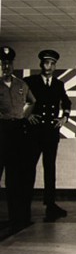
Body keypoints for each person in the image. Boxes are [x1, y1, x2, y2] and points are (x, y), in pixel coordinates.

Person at [23, 49, 71, 222]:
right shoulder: (30, 81)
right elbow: (18, 100)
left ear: (55, 66)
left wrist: (64, 117)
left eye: (52, 63)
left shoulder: (58, 84)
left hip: (50, 132)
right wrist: (27, 115)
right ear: (41, 64)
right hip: (34, 133)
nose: (48, 67)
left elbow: (66, 101)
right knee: (29, 169)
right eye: (45, 63)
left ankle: (50, 205)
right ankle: (24, 206)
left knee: (50, 169)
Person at [0, 46, 36, 230]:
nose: (5, 67)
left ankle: (16, 218)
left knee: (15, 177)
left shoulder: (21, 84)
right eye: (2, 64)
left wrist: (24, 115)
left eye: (8, 63)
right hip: (1, 130)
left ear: (12, 64)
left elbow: (31, 101)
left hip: (16, 131)